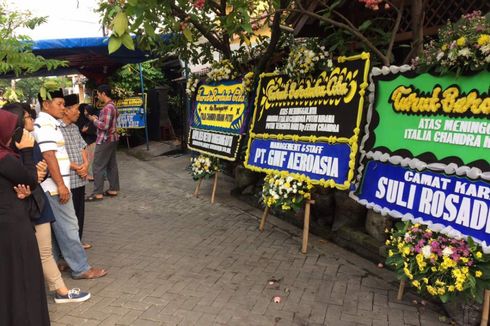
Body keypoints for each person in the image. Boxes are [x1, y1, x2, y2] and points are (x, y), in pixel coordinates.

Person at [2, 103, 91, 303]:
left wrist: (34, 177)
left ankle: (57, 290)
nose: (31, 120)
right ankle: (58, 290)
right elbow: (28, 177)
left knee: (43, 251)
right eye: (26, 117)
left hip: (35, 202)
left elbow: (34, 176)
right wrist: (34, 177)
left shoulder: (29, 143)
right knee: (39, 252)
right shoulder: (11, 151)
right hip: (23, 207)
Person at [33, 88, 108, 280]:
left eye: (63, 104)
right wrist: (61, 185)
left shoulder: (51, 123)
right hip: (55, 186)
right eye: (59, 104)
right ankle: (81, 268)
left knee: (60, 226)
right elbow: (49, 156)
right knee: (69, 226)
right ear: (46, 104)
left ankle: (62, 261)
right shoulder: (45, 124)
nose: (62, 107)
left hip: (57, 184)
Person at [0, 109, 50, 325]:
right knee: (22, 278)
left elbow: (23, 184)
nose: (14, 135)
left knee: (9, 281)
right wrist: (28, 153)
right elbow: (29, 179)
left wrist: (24, 189)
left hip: (9, 223)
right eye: (11, 129)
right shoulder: (4, 158)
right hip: (13, 227)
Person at [61, 94, 91, 249]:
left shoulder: (74, 128)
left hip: (80, 177)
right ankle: (70, 247)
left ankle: (78, 241)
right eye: (76, 109)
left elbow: (83, 146)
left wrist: (85, 164)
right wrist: (75, 167)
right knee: (69, 215)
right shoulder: (56, 128)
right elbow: (56, 155)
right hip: (68, 179)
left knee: (80, 211)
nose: (79, 112)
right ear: (66, 110)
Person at [87, 84, 120, 201]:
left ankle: (97, 193)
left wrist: (94, 120)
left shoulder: (107, 108)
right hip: (112, 138)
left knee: (97, 165)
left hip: (105, 139)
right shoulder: (113, 106)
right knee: (111, 165)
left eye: (98, 94)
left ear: (103, 94)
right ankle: (113, 189)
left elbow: (105, 126)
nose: (98, 96)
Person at [77, 103, 98, 181]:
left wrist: (85, 130)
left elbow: (93, 130)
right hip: (90, 141)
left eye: (86, 111)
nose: (84, 112)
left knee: (90, 159)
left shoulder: (93, 118)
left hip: (92, 141)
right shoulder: (89, 119)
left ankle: (91, 175)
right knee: (90, 158)